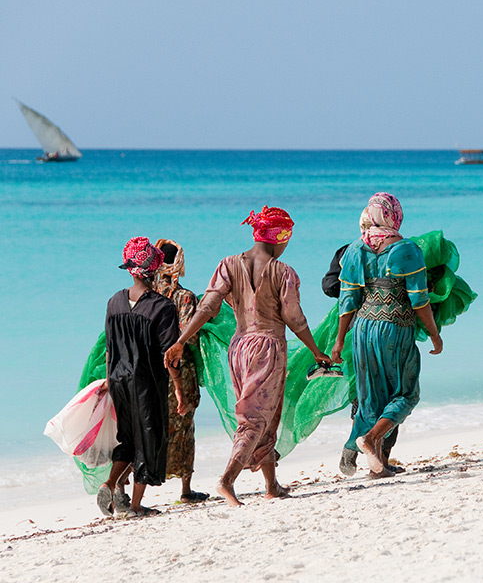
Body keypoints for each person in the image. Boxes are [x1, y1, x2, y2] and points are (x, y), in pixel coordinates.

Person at [164, 205, 330, 506]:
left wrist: (181, 340)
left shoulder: (228, 265)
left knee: (265, 415)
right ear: (280, 236)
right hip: (268, 347)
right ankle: (227, 480)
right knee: (255, 419)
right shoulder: (284, 272)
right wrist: (316, 351)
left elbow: (208, 306)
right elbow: (295, 319)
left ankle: (272, 485)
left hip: (239, 348)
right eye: (286, 238)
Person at [331, 193, 443, 478]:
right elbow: (419, 300)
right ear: (394, 215)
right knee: (406, 394)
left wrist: (340, 340)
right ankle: (367, 440)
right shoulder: (407, 250)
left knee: (370, 397)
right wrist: (434, 334)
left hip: (362, 329)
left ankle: (375, 462)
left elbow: (348, 301)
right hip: (395, 328)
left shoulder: (355, 250)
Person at [97, 237, 188, 517]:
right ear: (155, 270)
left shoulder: (114, 302)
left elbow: (110, 348)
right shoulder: (162, 307)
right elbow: (169, 356)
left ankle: (110, 482)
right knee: (150, 438)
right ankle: (135, 506)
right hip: (146, 382)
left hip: (118, 380)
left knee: (127, 438)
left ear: (130, 269)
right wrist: (179, 389)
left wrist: (108, 380)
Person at [321, 244, 401, 476]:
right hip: (391, 329)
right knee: (394, 394)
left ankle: (359, 446)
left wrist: (353, 290)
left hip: (357, 329)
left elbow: (329, 286)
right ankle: (379, 459)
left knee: (363, 395)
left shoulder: (348, 251)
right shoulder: (397, 249)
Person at [153, 239, 209, 504]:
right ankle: (185, 490)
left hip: (149, 370)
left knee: (149, 425)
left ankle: (128, 486)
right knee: (184, 426)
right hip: (180, 370)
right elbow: (189, 336)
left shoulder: (144, 294)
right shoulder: (185, 297)